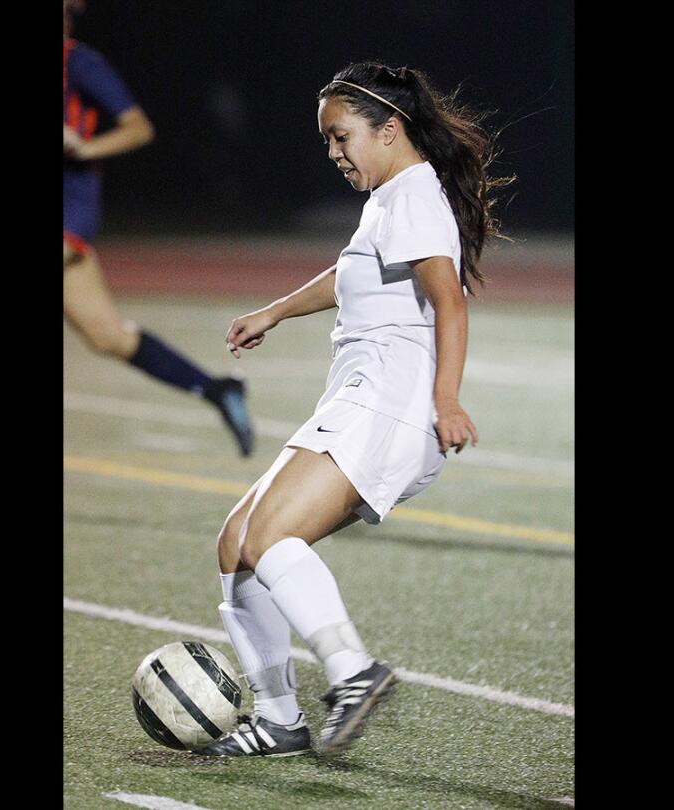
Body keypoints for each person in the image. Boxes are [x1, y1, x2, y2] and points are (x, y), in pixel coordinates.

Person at [195, 62, 512, 757]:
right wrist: (275, 311)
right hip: (359, 398)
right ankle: (280, 719)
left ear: (389, 129)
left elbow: (449, 300)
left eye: (341, 137)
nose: (334, 152)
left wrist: (446, 400)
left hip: (391, 403)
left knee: (271, 538)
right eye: (327, 141)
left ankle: (352, 671)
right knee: (237, 545)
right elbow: (351, 274)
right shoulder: (392, 197)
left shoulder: (412, 197)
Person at [63, 0, 253, 456]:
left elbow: (138, 128)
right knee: (107, 335)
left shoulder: (79, 61)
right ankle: (216, 389)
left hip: (68, 211)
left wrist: (83, 148)